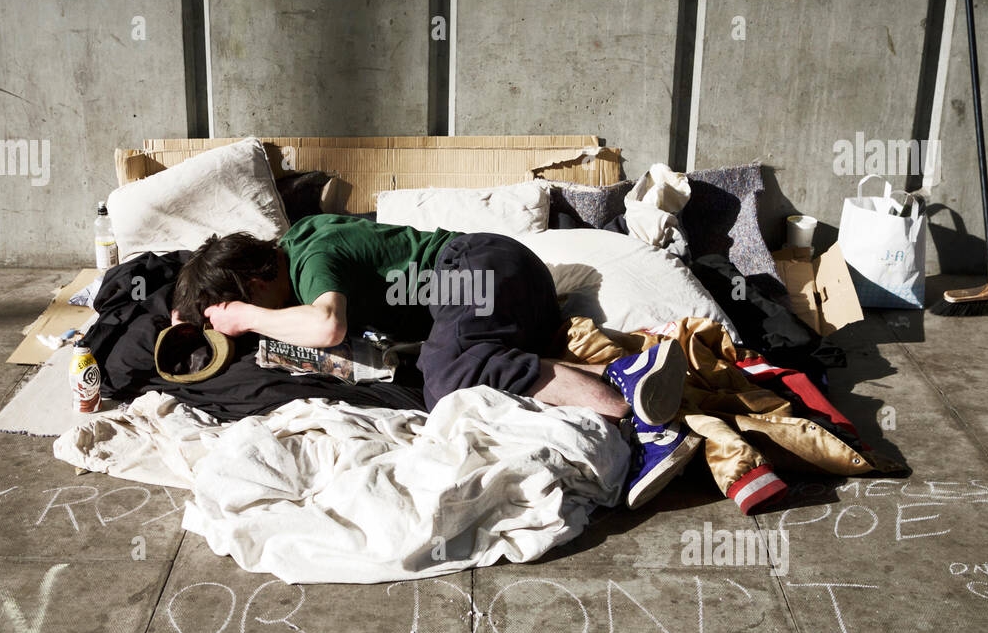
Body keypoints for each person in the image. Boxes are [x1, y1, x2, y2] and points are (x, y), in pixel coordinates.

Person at [172, 214, 693, 506]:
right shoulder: (302, 243)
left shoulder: (312, 258)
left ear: (258, 282)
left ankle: (628, 399)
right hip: (504, 288)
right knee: (453, 374)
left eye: (253, 302)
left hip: (473, 268)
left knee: (449, 382)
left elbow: (326, 324)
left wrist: (244, 316)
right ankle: (625, 383)